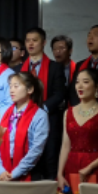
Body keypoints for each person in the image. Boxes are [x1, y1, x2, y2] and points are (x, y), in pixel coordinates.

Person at [58, 68, 98, 188]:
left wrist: (90, 167)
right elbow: (65, 146)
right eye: (77, 82)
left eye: (86, 82)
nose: (80, 86)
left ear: (97, 86)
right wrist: (59, 173)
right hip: (72, 165)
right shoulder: (68, 112)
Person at [23, 27, 68, 179]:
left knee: (50, 161)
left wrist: (40, 110)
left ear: (43, 43)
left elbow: (60, 94)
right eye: (28, 40)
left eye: (34, 40)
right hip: (24, 120)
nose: (30, 44)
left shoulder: (55, 67)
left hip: (49, 119)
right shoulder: (19, 68)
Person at [0, 73, 50, 182]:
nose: (11, 90)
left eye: (16, 86)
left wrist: (15, 173)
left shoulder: (40, 115)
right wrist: (0, 170)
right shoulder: (3, 112)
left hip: (28, 173)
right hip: (2, 172)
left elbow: (36, 150)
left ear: (30, 89)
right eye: (10, 86)